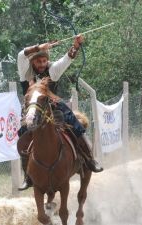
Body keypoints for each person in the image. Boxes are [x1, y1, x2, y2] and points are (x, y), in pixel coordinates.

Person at [17, 34, 103, 191]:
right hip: (31, 110)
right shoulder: (25, 72)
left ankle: (89, 160)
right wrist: (38, 48)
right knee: (22, 136)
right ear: (32, 62)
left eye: (44, 61)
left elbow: (67, 59)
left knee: (76, 126)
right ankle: (28, 176)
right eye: (38, 61)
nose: (42, 64)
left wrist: (76, 46)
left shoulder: (53, 70)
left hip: (53, 107)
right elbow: (21, 55)